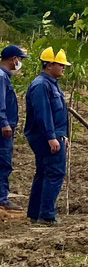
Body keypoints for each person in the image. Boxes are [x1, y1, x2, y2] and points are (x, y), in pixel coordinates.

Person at [24, 47, 70, 226]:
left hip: (53, 135)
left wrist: (62, 135)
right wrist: (52, 137)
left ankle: (36, 213)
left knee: (44, 173)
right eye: (61, 65)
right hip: (45, 137)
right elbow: (43, 114)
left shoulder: (51, 83)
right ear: (49, 64)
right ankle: (46, 215)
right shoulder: (41, 85)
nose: (64, 68)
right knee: (55, 172)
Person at [0, 45, 23, 214]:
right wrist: (4, 123)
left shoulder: (4, 77)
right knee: (4, 162)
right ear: (12, 59)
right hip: (3, 129)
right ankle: (2, 199)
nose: (19, 63)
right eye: (19, 59)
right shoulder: (1, 77)